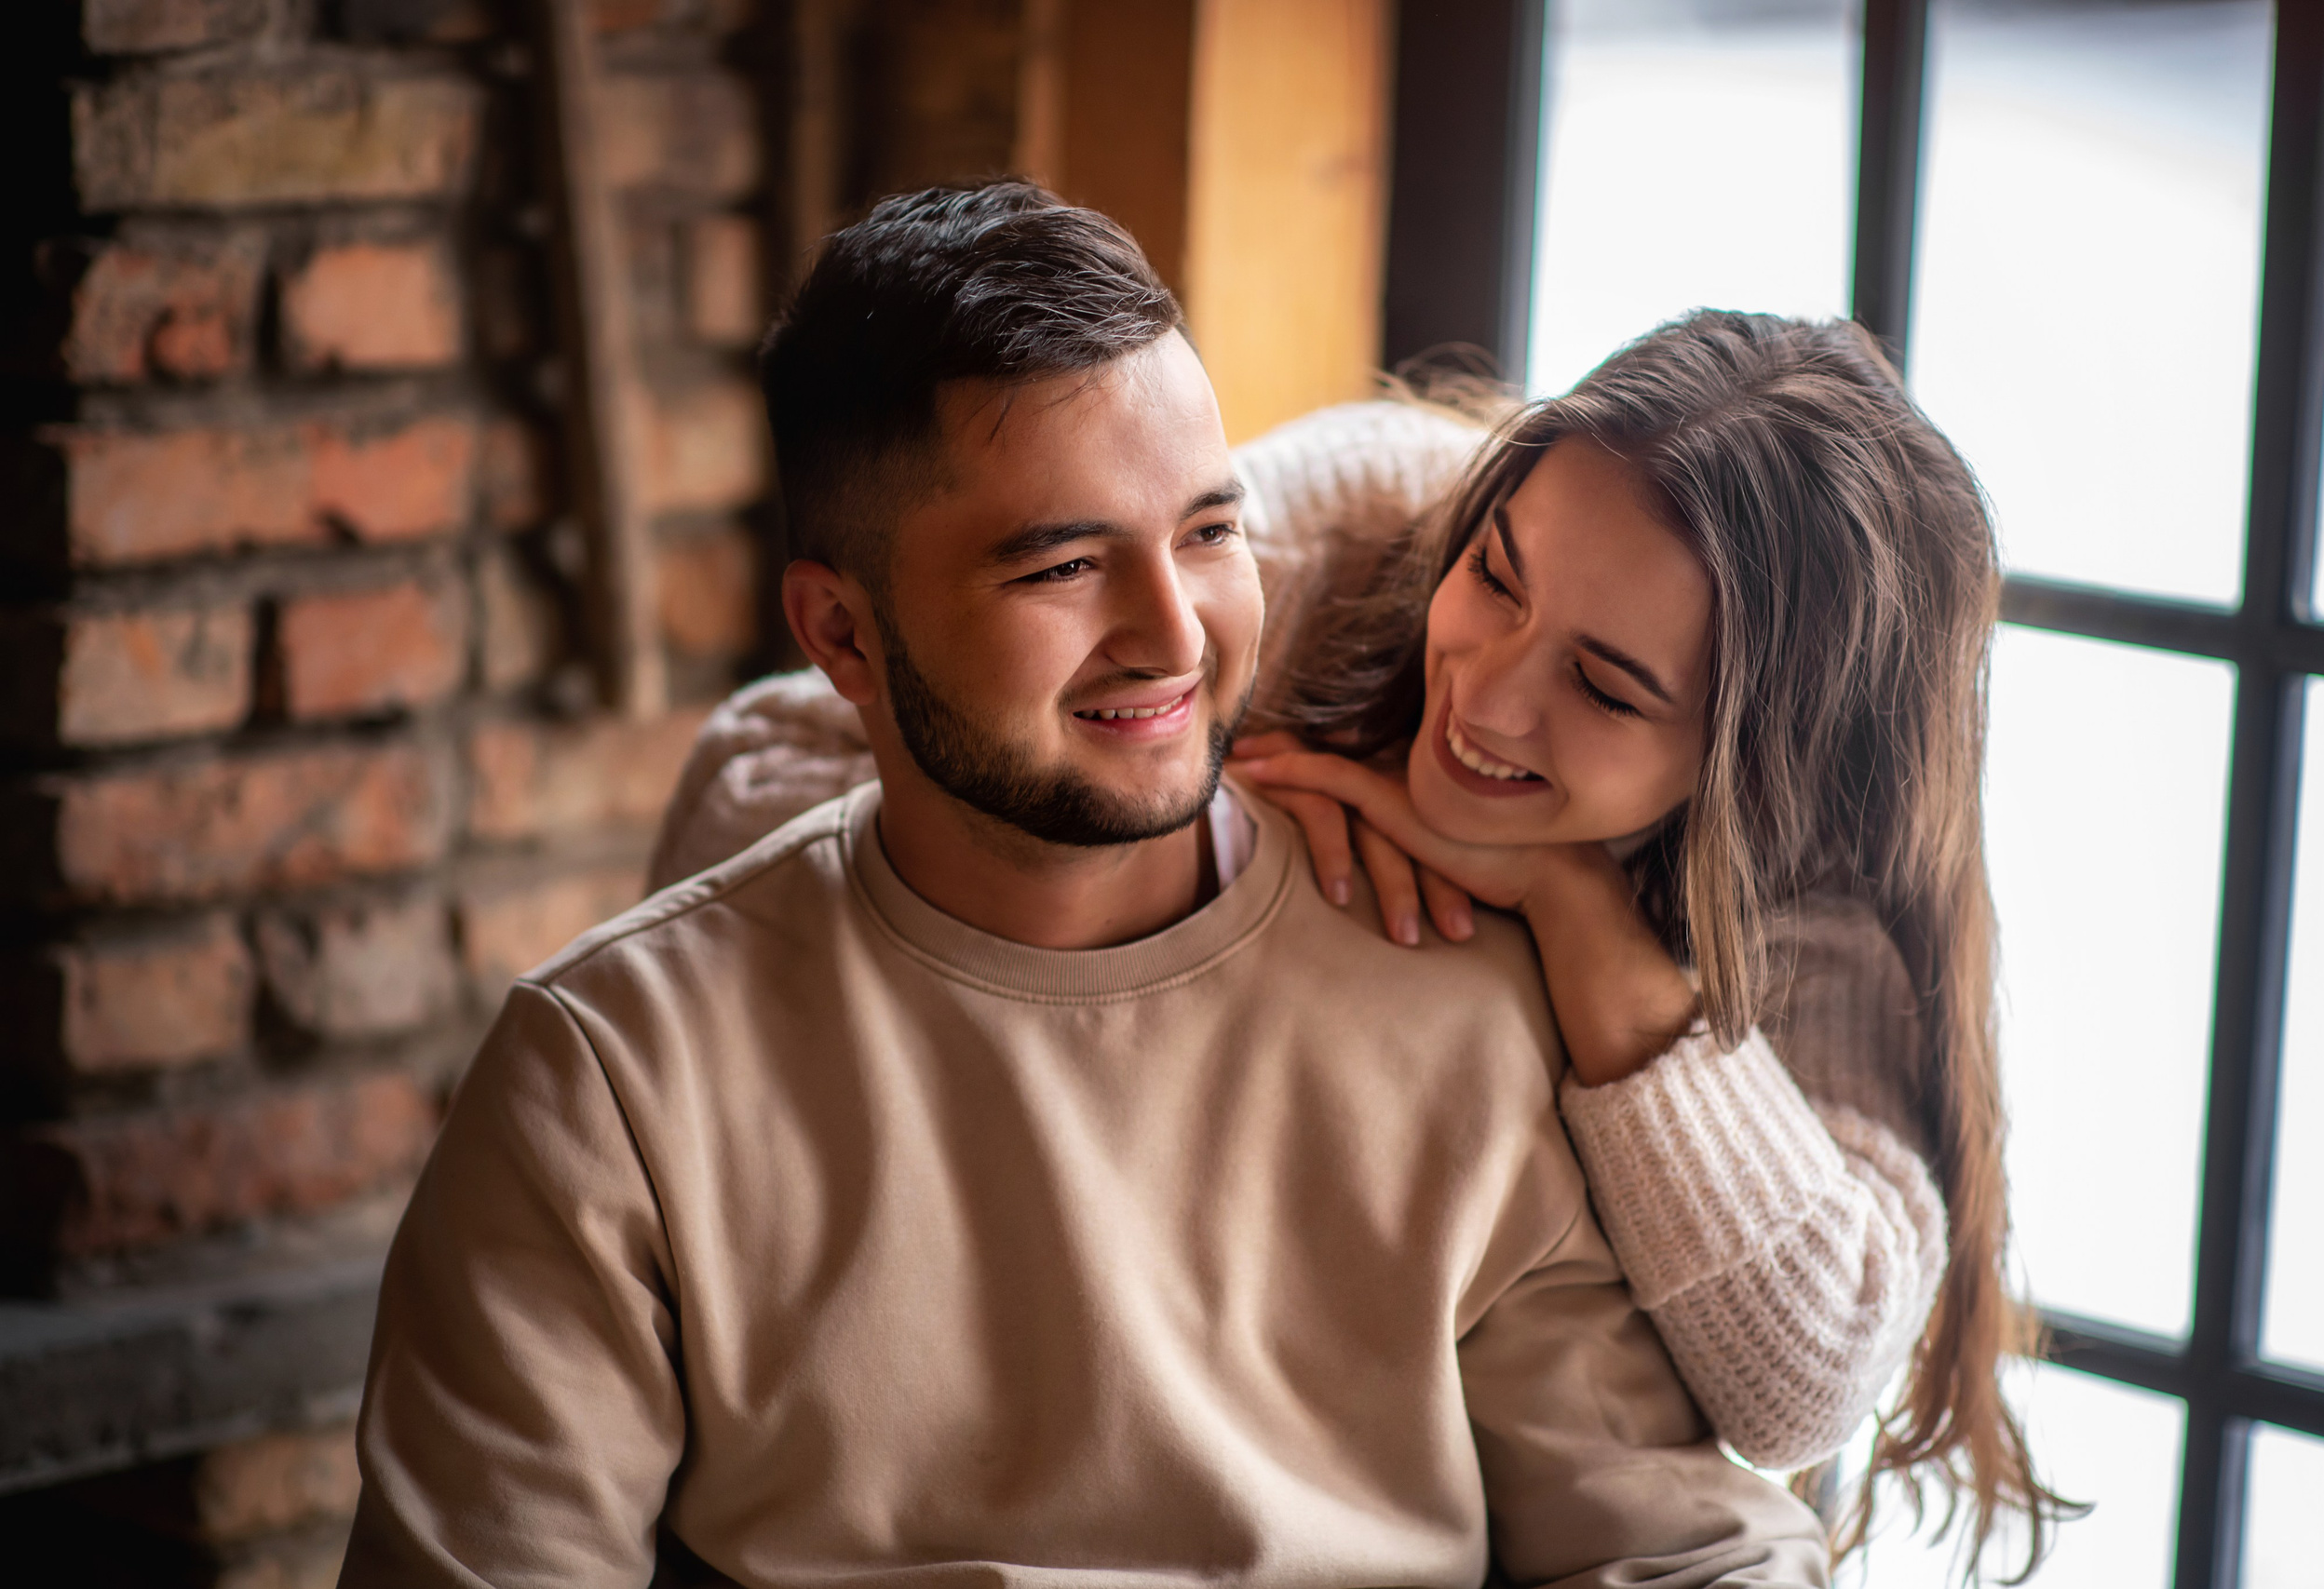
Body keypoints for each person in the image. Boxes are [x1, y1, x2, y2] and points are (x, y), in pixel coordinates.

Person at [337, 182, 1825, 1586]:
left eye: (1211, 534)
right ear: (842, 639)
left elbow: (1678, 1547)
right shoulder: (605, 1085)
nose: (1173, 637)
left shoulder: (1457, 985)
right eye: (1062, 569)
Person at [645, 315, 2070, 1578]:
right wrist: (1190, 825)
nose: (1488, 699)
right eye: (1500, 579)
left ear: (1764, 764)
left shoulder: (1811, 874)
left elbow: (1809, 1379)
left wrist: (1578, 921)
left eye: (1607, 688)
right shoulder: (1335, 541)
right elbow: (751, 776)